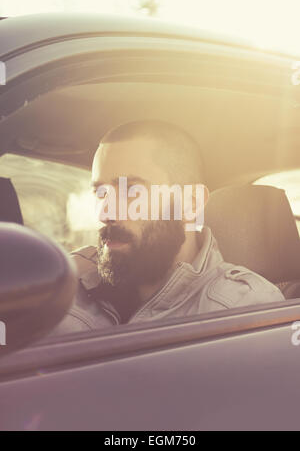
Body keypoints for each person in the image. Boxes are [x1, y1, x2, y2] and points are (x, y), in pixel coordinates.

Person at [51, 120, 284, 335]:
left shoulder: (245, 311)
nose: (105, 213)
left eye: (131, 190)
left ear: (190, 203)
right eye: (101, 192)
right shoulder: (65, 287)